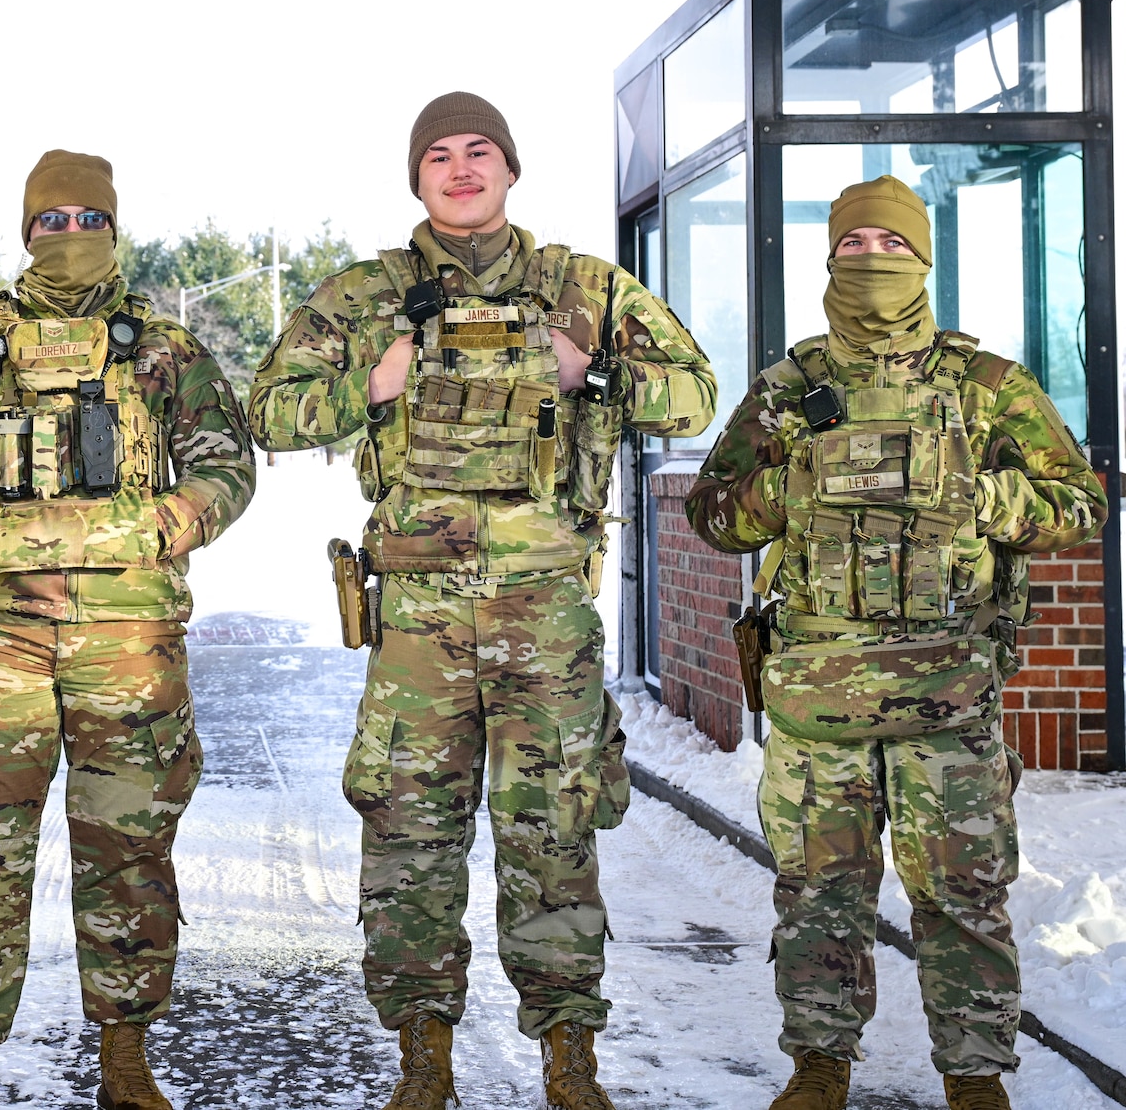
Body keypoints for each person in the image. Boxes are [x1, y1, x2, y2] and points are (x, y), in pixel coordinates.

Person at [248, 93, 716, 1110]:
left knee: (550, 828)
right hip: (416, 616)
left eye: (479, 152)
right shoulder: (368, 293)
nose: (460, 170)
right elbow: (269, 408)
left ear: (509, 167)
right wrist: (366, 388)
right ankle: (422, 1051)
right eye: (438, 157)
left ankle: (567, 1053)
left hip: (541, 611)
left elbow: (692, 394)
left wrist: (592, 371)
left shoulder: (580, 285)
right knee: (409, 832)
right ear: (414, 177)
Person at [685, 175, 1104, 1110]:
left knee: (963, 898)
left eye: (890, 243)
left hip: (948, 700)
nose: (870, 259)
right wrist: (787, 492)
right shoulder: (788, 391)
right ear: (828, 257)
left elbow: (1081, 506)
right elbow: (714, 512)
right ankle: (819, 1066)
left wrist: (988, 499)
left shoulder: (988, 387)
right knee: (818, 894)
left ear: (924, 257)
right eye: (852, 244)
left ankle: (976, 1075)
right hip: (817, 702)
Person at [0, 150, 255, 1110]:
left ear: (114, 230)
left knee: (127, 848)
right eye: (53, 221)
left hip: (130, 642)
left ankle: (126, 1063)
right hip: (3, 636)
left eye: (90, 219)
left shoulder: (162, 349)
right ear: (26, 231)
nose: (70, 237)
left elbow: (228, 469)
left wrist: (157, 525)